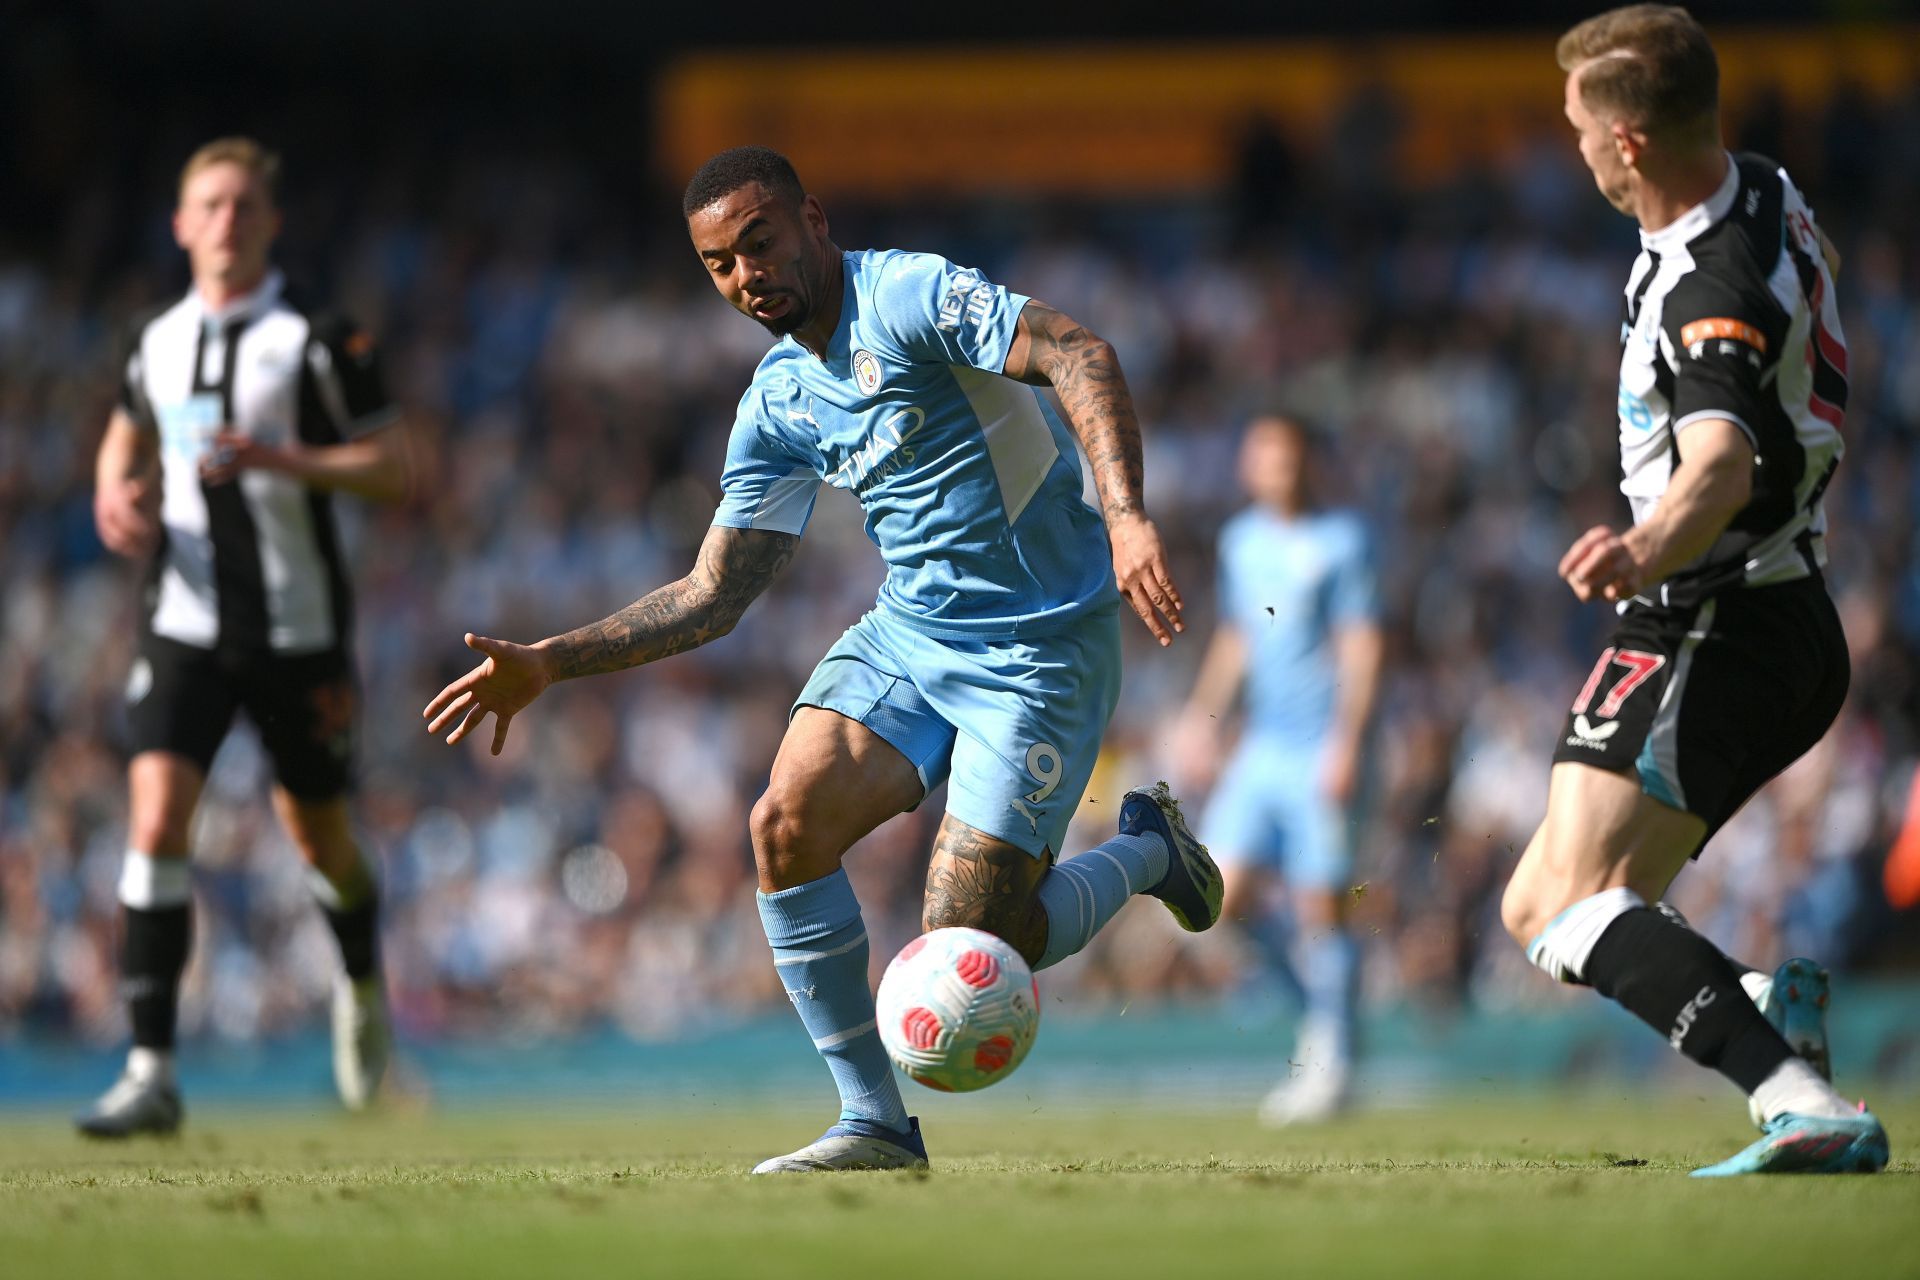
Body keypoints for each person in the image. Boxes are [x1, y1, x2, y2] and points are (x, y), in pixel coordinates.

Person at [424, 146, 1221, 1173]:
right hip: (911, 635)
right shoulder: (777, 400)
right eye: (720, 264)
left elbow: (1081, 351)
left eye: (760, 242)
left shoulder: (911, 295)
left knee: (980, 941)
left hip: (1039, 643)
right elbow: (714, 595)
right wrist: (549, 661)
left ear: (812, 218)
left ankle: (1150, 848)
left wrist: (1127, 520)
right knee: (782, 825)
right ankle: (876, 1123)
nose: (746, 275)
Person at [1499, 5, 1887, 1175]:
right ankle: (1772, 1007)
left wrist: (1645, 541)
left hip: (1718, 612)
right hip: (1772, 603)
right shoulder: (1753, 187)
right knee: (1543, 904)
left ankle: (1795, 1096)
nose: (1570, 146)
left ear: (1627, 141)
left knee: (1570, 902)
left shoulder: (1708, 288)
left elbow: (1718, 458)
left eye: (1579, 127)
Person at [79, 138, 410, 1137]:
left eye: (243, 205)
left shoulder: (317, 336)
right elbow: (127, 428)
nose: (225, 221)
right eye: (208, 205)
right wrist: (111, 491)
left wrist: (279, 457)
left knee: (322, 835)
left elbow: (397, 465)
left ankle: (359, 982)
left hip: (298, 630)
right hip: (183, 622)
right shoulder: (156, 339)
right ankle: (151, 1067)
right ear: (181, 224)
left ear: (271, 222)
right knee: (154, 818)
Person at [1172, 414, 1381, 1125]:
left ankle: (1335, 1055)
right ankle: (1321, 1020)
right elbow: (1236, 636)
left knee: (1320, 905)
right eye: (1260, 455)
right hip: (1263, 744)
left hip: (1323, 741)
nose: (1273, 468)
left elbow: (1360, 644)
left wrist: (1349, 742)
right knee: (1214, 899)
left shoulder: (1343, 541)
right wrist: (1203, 720)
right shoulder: (1241, 543)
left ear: (1308, 462)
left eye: (1285, 456)